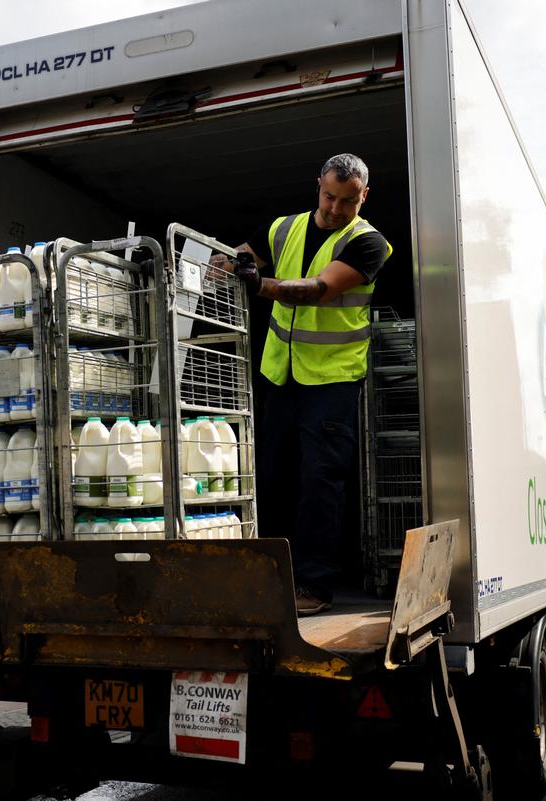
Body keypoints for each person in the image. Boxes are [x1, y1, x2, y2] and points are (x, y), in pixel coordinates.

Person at [216, 153, 392, 616]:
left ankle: (313, 585)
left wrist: (259, 285)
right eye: (330, 197)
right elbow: (242, 256)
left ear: (364, 196)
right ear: (318, 186)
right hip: (281, 376)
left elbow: (317, 289)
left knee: (320, 484)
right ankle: (266, 578)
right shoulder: (283, 228)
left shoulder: (369, 243)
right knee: (269, 477)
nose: (336, 208)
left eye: (347, 200)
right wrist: (215, 265)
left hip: (331, 382)